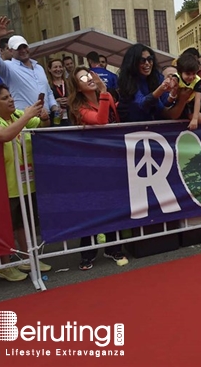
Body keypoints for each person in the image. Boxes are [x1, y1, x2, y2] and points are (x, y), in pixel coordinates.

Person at [0, 84, 51, 281]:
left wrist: (43, 116)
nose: (11, 100)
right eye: (5, 98)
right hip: (2, 185)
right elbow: (4, 135)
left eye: (11, 96)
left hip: (26, 181)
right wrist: (27, 117)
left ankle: (28, 258)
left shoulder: (17, 115)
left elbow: (42, 125)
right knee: (4, 225)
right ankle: (4, 265)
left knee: (24, 223)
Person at [65, 66, 129, 270]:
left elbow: (114, 120)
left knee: (113, 202)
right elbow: (100, 121)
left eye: (89, 75)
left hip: (111, 158)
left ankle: (113, 246)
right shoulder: (78, 106)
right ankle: (88, 252)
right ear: (77, 85)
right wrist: (103, 93)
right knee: (91, 206)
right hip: (89, 162)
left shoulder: (106, 97)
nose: (89, 79)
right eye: (83, 77)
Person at [0, 16, 62, 119]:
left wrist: (55, 108)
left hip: (47, 119)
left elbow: (48, 92)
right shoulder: (8, 67)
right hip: (24, 121)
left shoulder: (39, 68)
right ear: (11, 51)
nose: (23, 50)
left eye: (24, 46)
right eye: (18, 48)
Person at [117, 43, 174, 122]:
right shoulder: (128, 80)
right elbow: (142, 104)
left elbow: (165, 102)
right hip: (133, 127)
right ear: (133, 63)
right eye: (142, 60)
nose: (147, 63)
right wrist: (160, 90)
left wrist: (174, 93)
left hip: (156, 126)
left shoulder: (157, 76)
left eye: (150, 59)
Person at [172, 53, 201, 130]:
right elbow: (171, 91)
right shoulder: (175, 78)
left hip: (194, 100)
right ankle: (185, 116)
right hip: (184, 103)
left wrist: (195, 119)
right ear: (180, 72)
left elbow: (198, 100)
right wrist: (195, 119)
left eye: (193, 73)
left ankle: (193, 115)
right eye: (188, 74)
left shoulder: (197, 81)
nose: (191, 77)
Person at [47, 58, 70, 126]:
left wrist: (70, 100)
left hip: (70, 118)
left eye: (60, 67)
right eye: (55, 67)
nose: (58, 69)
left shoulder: (69, 83)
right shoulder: (47, 85)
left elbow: (76, 97)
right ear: (49, 69)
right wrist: (55, 102)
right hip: (54, 119)